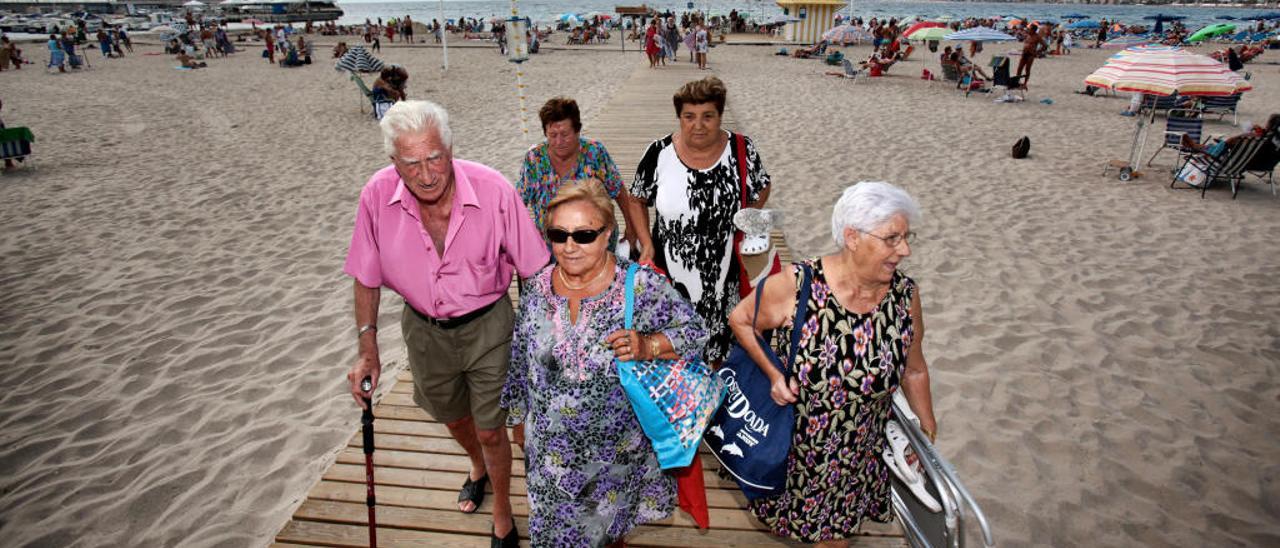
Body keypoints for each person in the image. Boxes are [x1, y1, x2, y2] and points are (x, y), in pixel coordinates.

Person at [344, 100, 548, 548]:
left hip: (489, 325)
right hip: (423, 330)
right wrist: (368, 348)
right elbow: (365, 275)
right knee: (454, 417)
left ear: (450, 148)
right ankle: (477, 465)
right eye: (411, 162)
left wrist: (540, 338)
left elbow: (535, 270)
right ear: (393, 161)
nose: (426, 174)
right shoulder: (376, 196)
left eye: (435, 157)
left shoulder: (494, 191)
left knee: (492, 426)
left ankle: (502, 511)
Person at [501, 180, 707, 547]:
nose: (569, 246)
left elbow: (695, 332)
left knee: (609, 538)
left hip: (616, 457)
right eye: (558, 234)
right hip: (551, 456)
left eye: (584, 235)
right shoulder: (536, 288)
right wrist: (518, 418)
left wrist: (648, 345)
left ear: (608, 232)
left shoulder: (639, 286)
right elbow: (520, 356)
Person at [730, 181, 937, 547]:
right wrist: (774, 374)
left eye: (907, 237)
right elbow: (741, 320)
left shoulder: (906, 296)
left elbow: (914, 368)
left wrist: (927, 431)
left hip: (859, 457)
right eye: (891, 238)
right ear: (853, 236)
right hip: (796, 453)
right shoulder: (799, 286)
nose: (903, 250)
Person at [623, 76, 771, 364]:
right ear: (680, 118)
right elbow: (636, 199)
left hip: (726, 272)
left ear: (720, 116)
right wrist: (646, 245)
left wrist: (748, 217)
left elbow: (762, 185)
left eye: (708, 116)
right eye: (689, 116)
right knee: (671, 349)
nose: (698, 125)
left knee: (721, 351)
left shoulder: (741, 148)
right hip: (670, 273)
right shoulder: (659, 152)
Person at [518, 97, 642, 248]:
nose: (558, 142)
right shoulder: (534, 158)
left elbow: (619, 192)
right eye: (552, 135)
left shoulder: (594, 152)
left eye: (565, 134)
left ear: (577, 131)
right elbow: (518, 204)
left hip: (594, 244)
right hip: (550, 246)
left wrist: (631, 227)